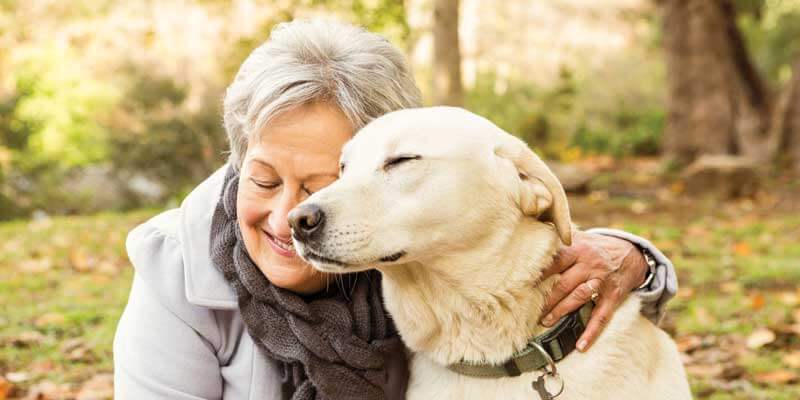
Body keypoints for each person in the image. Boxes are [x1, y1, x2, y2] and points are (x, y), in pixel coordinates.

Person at [113, 19, 677, 400]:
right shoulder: (176, 266)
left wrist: (634, 257)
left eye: (325, 180)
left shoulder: (407, 255)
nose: (294, 213)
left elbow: (488, 218)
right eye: (261, 179)